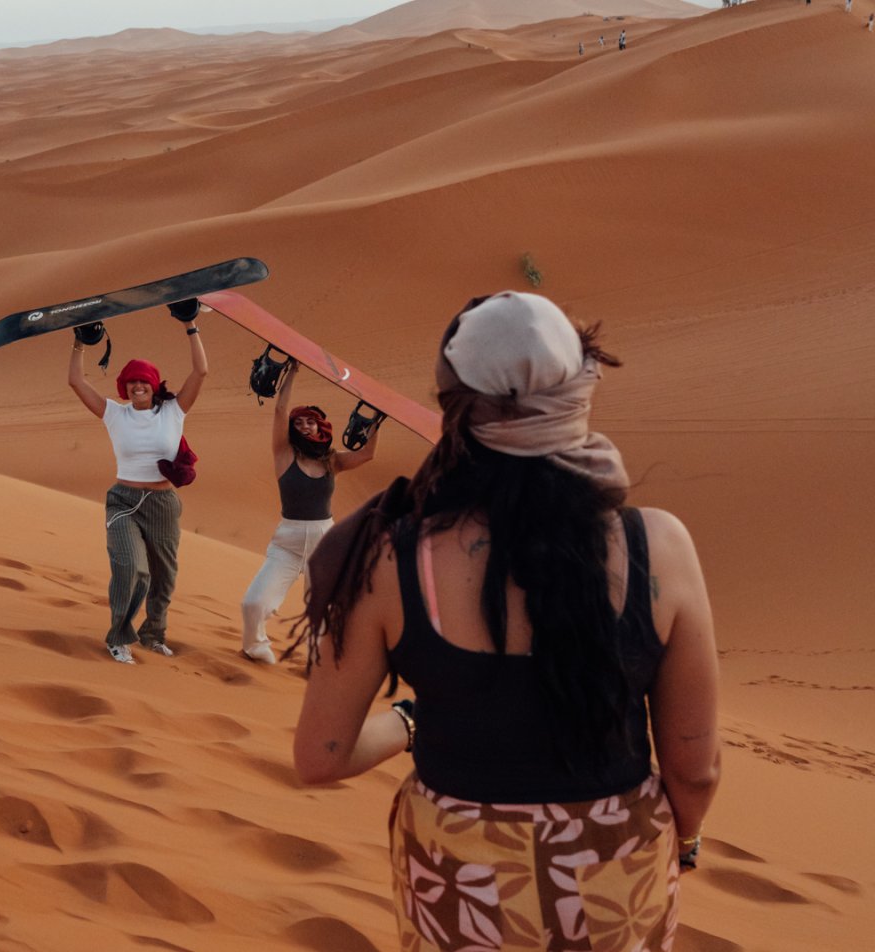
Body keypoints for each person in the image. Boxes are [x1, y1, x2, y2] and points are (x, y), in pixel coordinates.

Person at [292, 291, 720, 950]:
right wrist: (683, 839)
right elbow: (694, 767)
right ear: (580, 391)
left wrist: (413, 721)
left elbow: (322, 757)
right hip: (615, 879)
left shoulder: (388, 558)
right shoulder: (659, 546)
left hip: (460, 879)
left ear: (453, 407)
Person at [67, 300, 207, 664]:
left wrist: (190, 324)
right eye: (130, 382)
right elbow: (75, 381)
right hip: (124, 500)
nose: (135, 387)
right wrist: (80, 342)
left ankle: (153, 634)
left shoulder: (173, 410)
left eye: (142, 381)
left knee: (164, 576)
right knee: (131, 568)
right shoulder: (114, 413)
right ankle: (118, 637)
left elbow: (201, 372)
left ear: (153, 383)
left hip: (163, 503)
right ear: (123, 387)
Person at [240, 359, 378, 664]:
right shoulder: (283, 454)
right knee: (253, 603)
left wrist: (375, 422)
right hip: (286, 545)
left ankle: (321, 663)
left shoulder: (332, 460)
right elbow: (279, 411)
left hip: (323, 546)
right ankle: (255, 647)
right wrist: (293, 372)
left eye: (310, 422)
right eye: (299, 422)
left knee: (324, 611)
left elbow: (367, 454)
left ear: (320, 426)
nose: (305, 426)